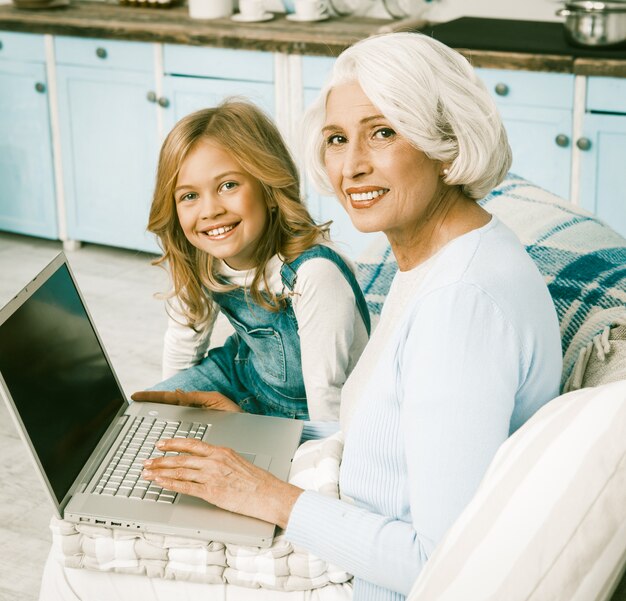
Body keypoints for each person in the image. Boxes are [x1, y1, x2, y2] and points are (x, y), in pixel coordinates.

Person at [39, 33, 563, 601]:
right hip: (343, 512)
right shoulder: (441, 259)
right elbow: (386, 441)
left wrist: (265, 495)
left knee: (71, 557)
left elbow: (441, 563)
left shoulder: (461, 307)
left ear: (448, 139)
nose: (352, 166)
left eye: (383, 132)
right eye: (337, 139)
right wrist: (257, 430)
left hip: (364, 582)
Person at [132, 100, 370, 439]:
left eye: (228, 185)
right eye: (189, 196)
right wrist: (177, 423)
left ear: (270, 189)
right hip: (242, 375)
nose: (210, 211)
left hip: (310, 412)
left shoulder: (314, 274)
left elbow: (329, 403)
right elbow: (183, 347)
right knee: (148, 419)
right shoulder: (200, 253)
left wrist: (282, 449)